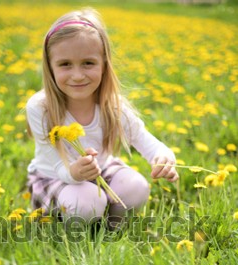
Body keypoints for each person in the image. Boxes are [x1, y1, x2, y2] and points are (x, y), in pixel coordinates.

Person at [26, 8, 178, 224]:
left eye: (88, 63)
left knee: (136, 188)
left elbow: (146, 142)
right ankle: (78, 234)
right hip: (55, 177)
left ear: (104, 64)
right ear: (50, 67)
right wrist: (74, 173)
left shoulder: (112, 106)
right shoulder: (40, 107)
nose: (77, 75)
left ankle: (110, 233)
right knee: (87, 203)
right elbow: (57, 164)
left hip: (102, 170)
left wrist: (163, 157)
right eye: (65, 64)